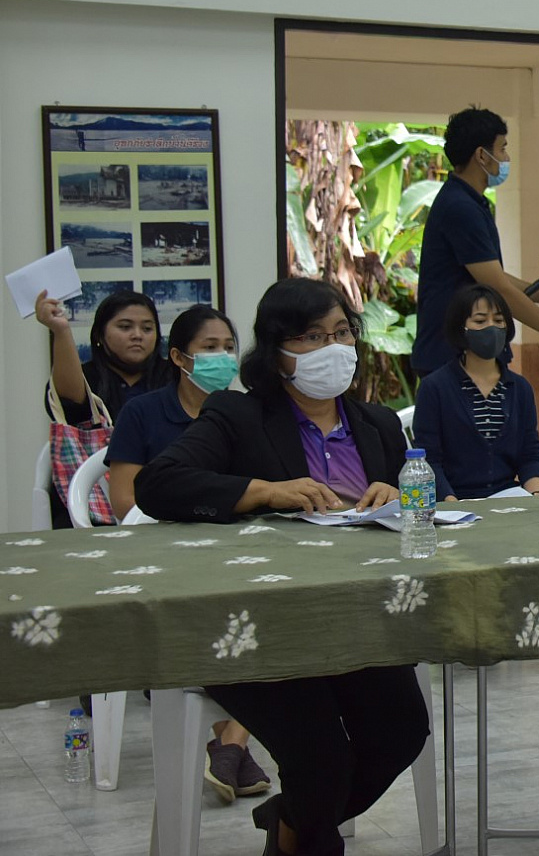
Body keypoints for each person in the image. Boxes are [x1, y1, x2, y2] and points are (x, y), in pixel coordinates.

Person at [137, 278, 428, 855]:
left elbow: (426, 505)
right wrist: (264, 491)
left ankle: (289, 825)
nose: (332, 347)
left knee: (401, 733)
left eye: (341, 333)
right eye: (312, 337)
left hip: (356, 616)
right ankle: (304, 838)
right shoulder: (237, 416)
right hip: (260, 622)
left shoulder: (378, 424)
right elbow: (157, 484)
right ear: (276, 352)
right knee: (321, 757)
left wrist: (400, 496)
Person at [103, 304, 269, 803]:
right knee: (211, 610)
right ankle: (232, 740)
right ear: (178, 357)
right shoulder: (144, 413)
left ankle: (230, 743)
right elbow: (125, 500)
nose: (222, 357)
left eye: (228, 348)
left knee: (268, 606)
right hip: (162, 546)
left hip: (234, 547)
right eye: (209, 348)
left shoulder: (247, 411)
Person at [411, 106, 539, 376]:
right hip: (454, 357)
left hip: (467, 355)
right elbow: (497, 286)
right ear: (482, 155)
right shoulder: (460, 208)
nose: (506, 158)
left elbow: (492, 276)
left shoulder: (467, 201)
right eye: (502, 149)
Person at [34, 288, 174, 528]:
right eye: (125, 327)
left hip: (165, 499)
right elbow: (71, 406)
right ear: (100, 334)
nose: (137, 335)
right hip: (93, 506)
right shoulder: (87, 377)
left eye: (147, 328)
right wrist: (61, 330)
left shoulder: (174, 377)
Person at [412, 283, 539, 502]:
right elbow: (429, 460)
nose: (492, 327)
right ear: (460, 328)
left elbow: (529, 455)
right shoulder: (434, 388)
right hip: (454, 502)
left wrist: (536, 496)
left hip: (508, 499)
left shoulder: (520, 388)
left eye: (499, 320)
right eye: (480, 321)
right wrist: (451, 504)